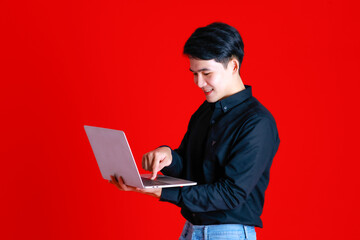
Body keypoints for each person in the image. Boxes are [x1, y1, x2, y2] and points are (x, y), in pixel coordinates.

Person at [110, 22, 280, 240]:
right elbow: (191, 170)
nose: (199, 82)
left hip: (228, 233)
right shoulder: (206, 111)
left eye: (206, 73)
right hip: (192, 229)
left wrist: (161, 192)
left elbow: (230, 194)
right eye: (194, 73)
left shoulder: (257, 123)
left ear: (234, 66)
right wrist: (168, 156)